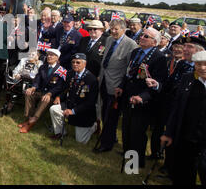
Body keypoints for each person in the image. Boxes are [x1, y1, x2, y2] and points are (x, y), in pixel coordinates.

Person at [118, 27, 168, 168]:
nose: (142, 37)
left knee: (137, 132)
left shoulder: (159, 58)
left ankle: (136, 162)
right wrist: (121, 86)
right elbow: (129, 73)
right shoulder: (136, 52)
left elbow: (158, 83)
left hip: (143, 101)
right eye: (142, 35)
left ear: (154, 42)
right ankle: (127, 153)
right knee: (127, 127)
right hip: (128, 95)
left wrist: (142, 97)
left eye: (146, 36)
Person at [161, 50, 206, 185]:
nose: (202, 68)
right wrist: (168, 133)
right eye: (198, 64)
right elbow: (176, 109)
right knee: (183, 174)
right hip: (186, 137)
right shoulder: (188, 79)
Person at [93, 19, 138, 153]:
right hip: (104, 81)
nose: (113, 31)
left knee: (110, 115)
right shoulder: (109, 40)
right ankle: (110, 137)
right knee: (103, 110)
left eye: (116, 29)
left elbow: (129, 69)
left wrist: (122, 86)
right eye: (111, 28)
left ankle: (106, 144)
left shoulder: (131, 45)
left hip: (116, 86)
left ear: (124, 30)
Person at [49, 53, 98, 144]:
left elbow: (90, 102)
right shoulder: (70, 73)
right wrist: (59, 97)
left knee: (80, 141)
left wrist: (73, 111)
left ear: (84, 64)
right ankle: (61, 132)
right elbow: (65, 89)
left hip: (83, 111)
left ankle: (93, 126)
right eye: (73, 62)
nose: (75, 64)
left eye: (78, 62)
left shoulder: (91, 79)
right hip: (70, 105)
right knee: (54, 109)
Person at [20, 49, 66, 133]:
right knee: (28, 93)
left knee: (45, 99)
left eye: (52, 55)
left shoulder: (61, 71)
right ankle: (29, 117)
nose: (49, 56)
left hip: (52, 95)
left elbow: (59, 87)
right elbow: (37, 80)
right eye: (48, 55)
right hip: (41, 91)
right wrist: (33, 87)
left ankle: (33, 120)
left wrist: (49, 94)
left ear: (57, 58)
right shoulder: (43, 67)